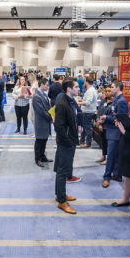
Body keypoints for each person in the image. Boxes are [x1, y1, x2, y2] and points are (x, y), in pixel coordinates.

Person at [54, 78, 80, 214]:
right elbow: (58, 126)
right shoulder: (62, 104)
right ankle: (62, 202)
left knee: (61, 170)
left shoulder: (70, 101)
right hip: (66, 143)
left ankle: (60, 194)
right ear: (69, 89)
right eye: (76, 87)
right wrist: (68, 142)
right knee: (63, 171)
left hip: (68, 141)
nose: (79, 88)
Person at [99, 80, 128, 188]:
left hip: (115, 132)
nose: (110, 89)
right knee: (115, 155)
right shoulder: (117, 100)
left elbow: (119, 119)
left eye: (112, 87)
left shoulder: (121, 101)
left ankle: (106, 177)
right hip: (112, 131)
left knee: (111, 156)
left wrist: (107, 118)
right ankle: (116, 175)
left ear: (118, 88)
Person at [33, 78, 53, 167]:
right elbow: (41, 111)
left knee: (44, 140)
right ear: (41, 84)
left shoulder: (44, 95)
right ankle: (37, 159)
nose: (48, 87)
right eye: (47, 85)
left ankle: (42, 156)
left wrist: (52, 116)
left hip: (45, 122)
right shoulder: (36, 96)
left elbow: (48, 107)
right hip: (41, 122)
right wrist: (50, 117)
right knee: (39, 141)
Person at [96, 87, 113, 165]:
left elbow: (111, 115)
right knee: (103, 141)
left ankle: (109, 158)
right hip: (101, 125)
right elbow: (98, 112)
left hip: (109, 126)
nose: (107, 92)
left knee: (108, 143)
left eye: (109, 91)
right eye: (106, 91)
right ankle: (103, 156)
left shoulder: (114, 102)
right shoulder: (103, 101)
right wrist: (98, 122)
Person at [80, 77, 97, 148]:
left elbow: (88, 103)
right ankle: (82, 140)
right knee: (85, 127)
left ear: (86, 82)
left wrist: (78, 103)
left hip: (88, 112)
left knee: (87, 128)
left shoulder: (90, 91)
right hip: (87, 111)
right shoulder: (90, 90)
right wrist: (81, 101)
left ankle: (88, 143)